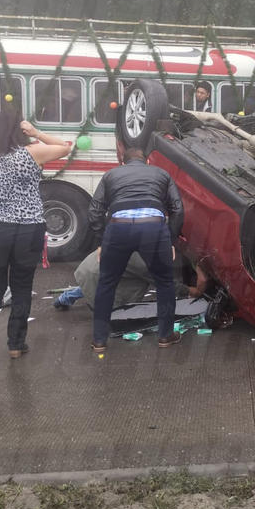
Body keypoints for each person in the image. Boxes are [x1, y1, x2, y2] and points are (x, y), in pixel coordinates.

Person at [0, 107, 71, 366]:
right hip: (27, 228)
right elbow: (65, 147)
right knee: (21, 286)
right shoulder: (32, 153)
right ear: (19, 130)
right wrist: (35, 132)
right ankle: (15, 345)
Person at [88, 138, 184, 351]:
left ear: (123, 163)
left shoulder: (111, 175)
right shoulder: (161, 174)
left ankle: (99, 340)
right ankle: (165, 336)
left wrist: (103, 240)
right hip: (153, 228)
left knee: (107, 283)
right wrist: (170, 239)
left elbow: (95, 210)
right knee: (164, 282)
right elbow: (177, 209)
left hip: (119, 227)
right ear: (147, 161)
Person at [53, 250, 208, 310]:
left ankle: (64, 298)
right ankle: (67, 299)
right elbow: (162, 281)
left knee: (101, 283)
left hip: (92, 268)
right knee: (119, 295)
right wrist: (189, 290)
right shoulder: (142, 261)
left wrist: (197, 267)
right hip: (97, 275)